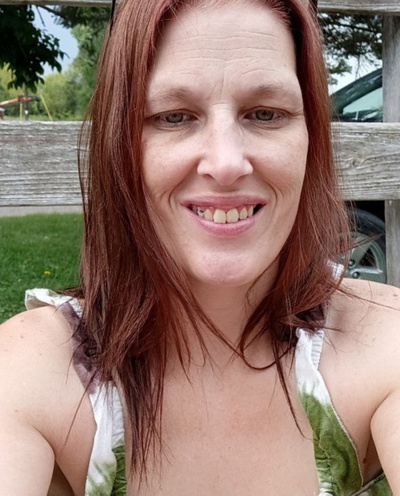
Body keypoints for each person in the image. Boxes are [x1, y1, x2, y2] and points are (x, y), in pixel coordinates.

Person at [0, 0, 399, 494]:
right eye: (173, 117)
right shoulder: (29, 371)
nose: (226, 164)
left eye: (265, 113)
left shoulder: (386, 342)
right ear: (119, 146)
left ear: (310, 136)